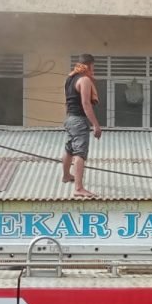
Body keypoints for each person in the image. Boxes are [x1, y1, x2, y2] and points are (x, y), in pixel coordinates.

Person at [60, 53, 103, 198]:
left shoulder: (70, 78)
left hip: (70, 118)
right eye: (93, 67)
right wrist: (95, 125)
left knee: (69, 148)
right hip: (79, 119)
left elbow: (68, 100)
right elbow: (85, 103)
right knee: (80, 153)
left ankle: (66, 176)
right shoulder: (84, 80)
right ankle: (78, 188)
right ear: (88, 66)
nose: (93, 70)